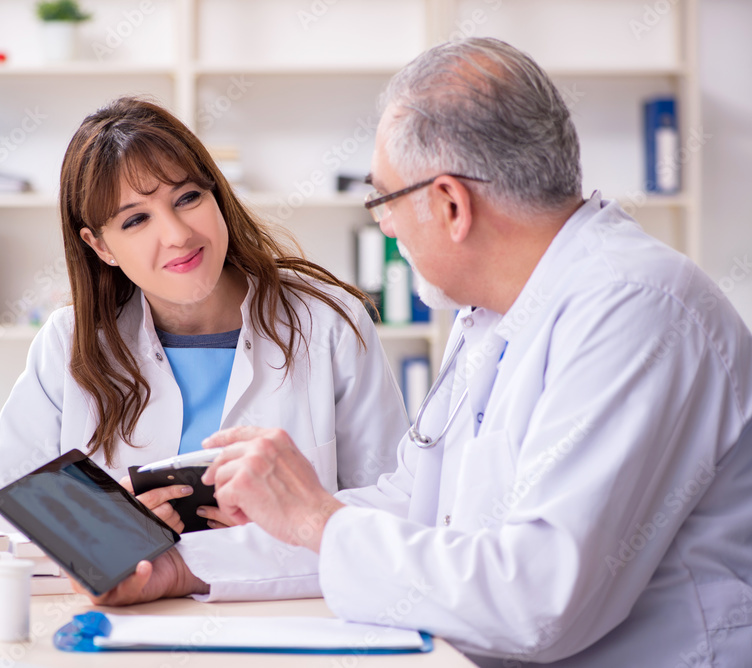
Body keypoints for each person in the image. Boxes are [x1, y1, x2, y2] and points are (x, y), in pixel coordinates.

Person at [81, 39, 752, 667]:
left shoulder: (635, 308)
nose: (384, 224)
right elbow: (413, 508)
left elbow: (537, 601)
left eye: (383, 199)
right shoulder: (491, 315)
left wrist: (315, 515)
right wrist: (187, 568)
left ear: (451, 204)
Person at [0, 97, 408, 534]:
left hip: (289, 587)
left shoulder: (328, 324)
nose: (177, 235)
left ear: (217, 194)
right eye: (135, 220)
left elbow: (401, 506)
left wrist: (298, 520)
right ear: (101, 246)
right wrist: (99, 521)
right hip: (136, 591)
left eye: (188, 197)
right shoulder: (69, 344)